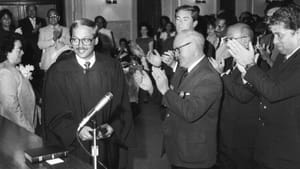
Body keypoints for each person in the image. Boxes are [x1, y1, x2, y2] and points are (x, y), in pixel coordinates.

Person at [43, 18, 134, 169]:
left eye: (86, 40)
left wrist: (112, 126)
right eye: (75, 40)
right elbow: (53, 112)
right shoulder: (58, 71)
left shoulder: (111, 68)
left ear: (96, 40)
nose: (80, 46)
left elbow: (122, 105)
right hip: (73, 145)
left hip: (105, 144)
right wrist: (75, 130)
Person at [227, 4, 300, 169]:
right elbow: (267, 86)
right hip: (269, 144)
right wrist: (246, 72)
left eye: (278, 35)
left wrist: (250, 66)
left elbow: (275, 92)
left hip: (289, 149)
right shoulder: (285, 56)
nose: (274, 41)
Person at [135, 30, 222, 169]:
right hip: (177, 146)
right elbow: (170, 102)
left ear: (192, 47)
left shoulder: (208, 76)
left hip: (194, 154)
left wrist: (165, 90)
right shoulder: (183, 69)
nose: (175, 54)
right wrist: (151, 88)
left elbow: (190, 112)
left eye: (177, 50)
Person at [209, 23, 260, 169]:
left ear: (245, 40)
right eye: (226, 39)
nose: (226, 44)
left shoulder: (257, 64)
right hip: (226, 129)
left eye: (230, 39)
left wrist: (222, 75)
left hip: (243, 133)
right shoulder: (230, 61)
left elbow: (243, 95)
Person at [0, 33, 40, 133]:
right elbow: (10, 108)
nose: (22, 52)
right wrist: (27, 128)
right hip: (17, 130)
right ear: (8, 50)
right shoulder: (6, 73)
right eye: (19, 49)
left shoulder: (12, 68)